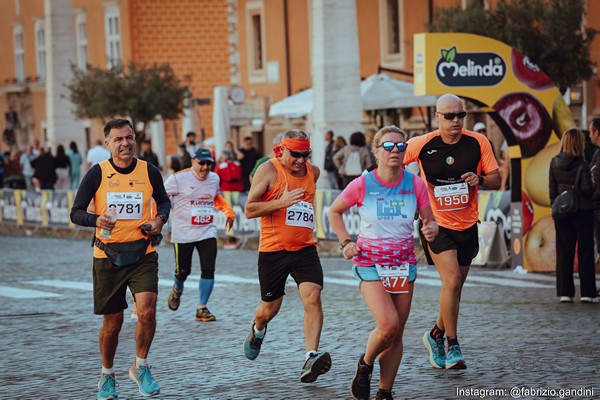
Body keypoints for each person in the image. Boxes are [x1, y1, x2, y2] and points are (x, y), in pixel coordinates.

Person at [329, 126, 438, 400]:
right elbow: (334, 211)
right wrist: (346, 243)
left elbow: (429, 220)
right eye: (388, 147)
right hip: (370, 264)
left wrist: (431, 229)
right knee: (388, 325)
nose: (395, 152)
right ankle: (365, 364)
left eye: (401, 147)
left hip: (403, 265)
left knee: (397, 334)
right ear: (376, 151)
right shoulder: (363, 184)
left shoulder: (415, 184)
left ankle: (384, 392)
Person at [70, 118, 171, 399]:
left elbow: (164, 201)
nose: (125, 143)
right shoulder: (97, 174)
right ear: (107, 144)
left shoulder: (148, 171)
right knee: (112, 323)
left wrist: (160, 219)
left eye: (129, 138)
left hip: (143, 253)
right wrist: (95, 218)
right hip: (108, 256)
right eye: (118, 139)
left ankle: (141, 366)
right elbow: (75, 212)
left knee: (148, 311)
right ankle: (107, 374)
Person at [403, 94, 501, 370]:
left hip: (467, 224)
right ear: (438, 117)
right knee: (453, 281)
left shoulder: (478, 142)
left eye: (460, 115)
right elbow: (391, 158)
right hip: (436, 224)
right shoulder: (423, 144)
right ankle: (452, 345)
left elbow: (496, 179)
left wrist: (479, 179)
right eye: (450, 116)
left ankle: (434, 334)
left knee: (454, 289)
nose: (456, 120)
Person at [243, 129, 332, 383]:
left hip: (305, 249)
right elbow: (249, 209)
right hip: (273, 251)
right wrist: (281, 203)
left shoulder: (313, 172)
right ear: (281, 150)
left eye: (306, 155)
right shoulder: (268, 170)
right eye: (296, 155)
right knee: (269, 310)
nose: (301, 161)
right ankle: (257, 329)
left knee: (313, 297)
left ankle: (310, 356)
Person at [164, 148, 235, 321]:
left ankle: (202, 308)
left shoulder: (214, 178)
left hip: (206, 231)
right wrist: (159, 217)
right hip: (183, 232)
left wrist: (228, 211)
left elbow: (215, 197)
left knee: (208, 269)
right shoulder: (177, 178)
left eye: (208, 163)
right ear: (193, 162)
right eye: (201, 163)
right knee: (183, 271)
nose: (205, 167)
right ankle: (177, 288)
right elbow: (161, 196)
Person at [551, 128, 597, 303]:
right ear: (578, 143)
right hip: (582, 210)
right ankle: (587, 293)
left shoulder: (554, 162)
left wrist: (555, 208)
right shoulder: (582, 164)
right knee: (585, 252)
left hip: (561, 212)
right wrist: (593, 184)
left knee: (564, 252)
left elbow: (552, 189)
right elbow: (587, 189)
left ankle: (565, 292)